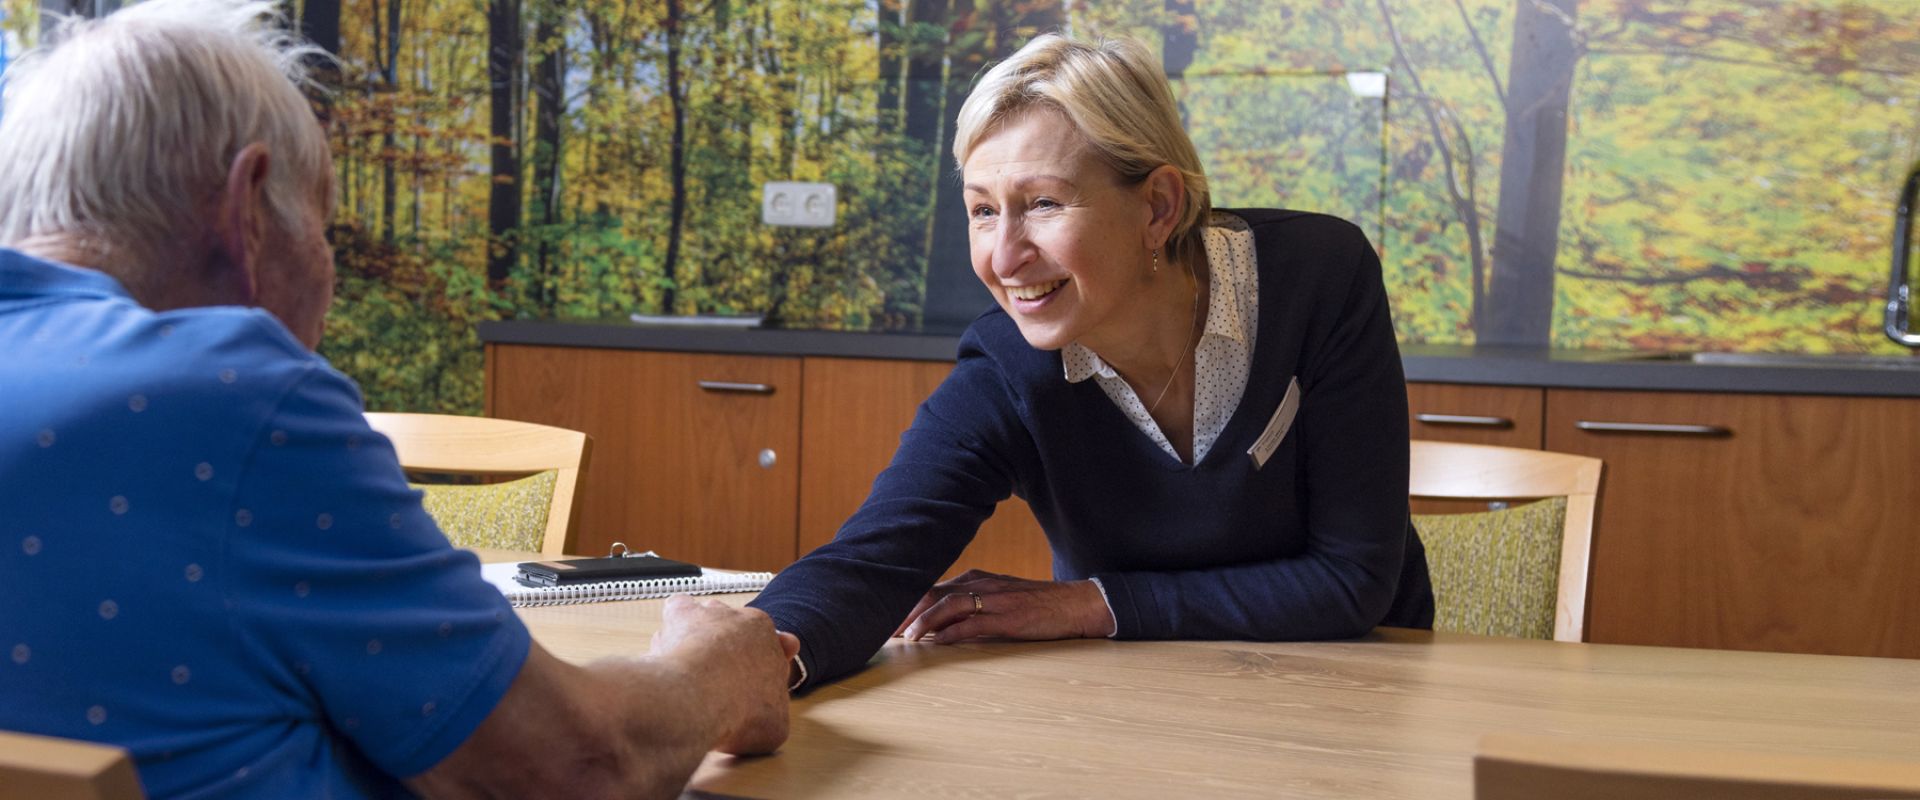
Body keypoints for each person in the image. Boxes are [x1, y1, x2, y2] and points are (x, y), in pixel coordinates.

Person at [0, 1, 795, 797]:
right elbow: (579, 766)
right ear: (247, 211)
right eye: (325, 229)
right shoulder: (229, 394)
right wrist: (719, 669)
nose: (332, 278)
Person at [750, 34, 1434, 690]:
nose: (1004, 256)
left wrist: (1086, 604)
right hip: (1129, 692)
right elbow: (870, 563)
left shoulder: (1319, 278)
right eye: (983, 211)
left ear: (1158, 208)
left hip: (1358, 684)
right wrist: (742, 657)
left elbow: (1351, 580)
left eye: (1042, 203)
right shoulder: (1007, 369)